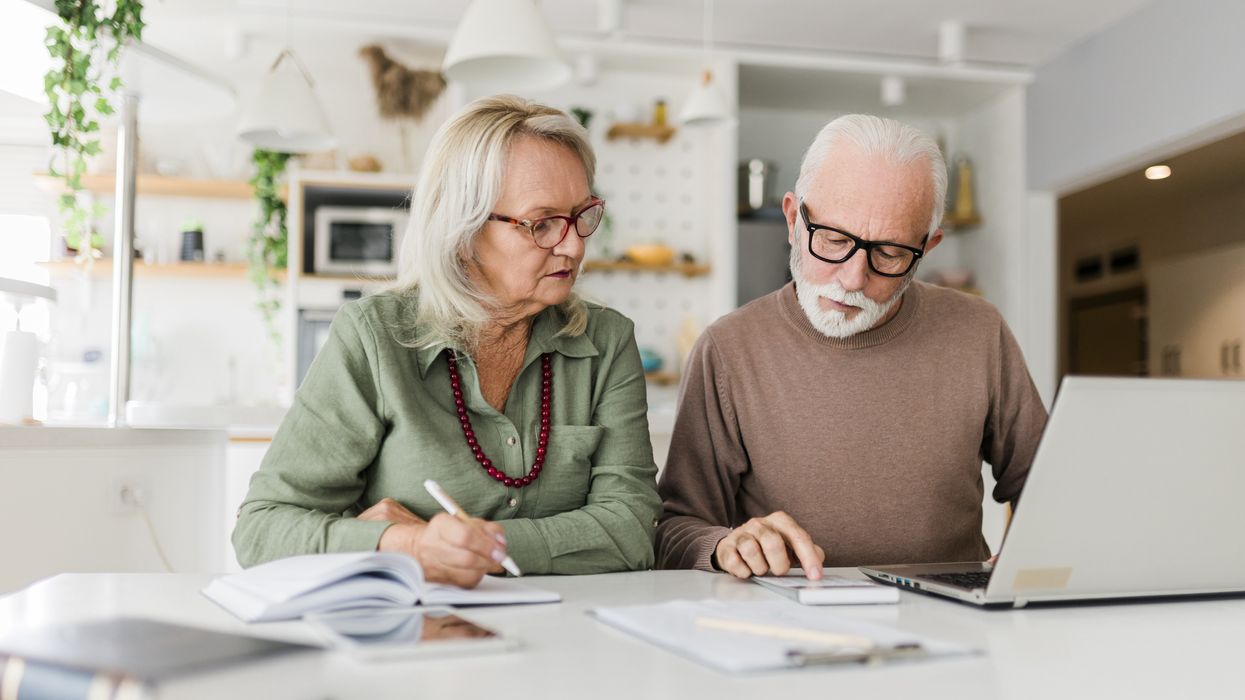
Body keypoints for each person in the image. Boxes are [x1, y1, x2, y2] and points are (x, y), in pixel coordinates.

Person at [234, 96, 661, 588]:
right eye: (541, 224)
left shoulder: (607, 342)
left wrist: (476, 548)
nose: (574, 244)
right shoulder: (374, 338)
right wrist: (402, 545)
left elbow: (632, 528)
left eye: (581, 215)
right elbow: (261, 530)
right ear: (463, 228)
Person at [655, 114, 1047, 580]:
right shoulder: (728, 349)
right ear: (792, 219)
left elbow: (1046, 483)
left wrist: (1035, 553)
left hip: (954, 617)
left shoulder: (979, 331)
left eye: (890, 253)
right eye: (835, 240)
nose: (853, 278)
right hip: (791, 621)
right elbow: (674, 528)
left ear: (930, 246)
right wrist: (723, 545)